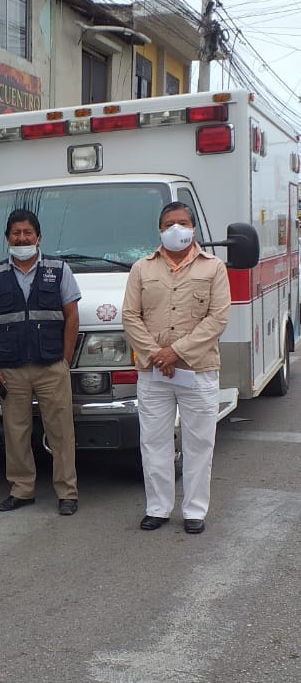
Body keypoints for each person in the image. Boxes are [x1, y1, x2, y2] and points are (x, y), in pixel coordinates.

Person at [122, 201, 231, 535]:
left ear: (193, 228)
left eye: (182, 222)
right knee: (154, 442)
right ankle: (157, 508)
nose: (175, 229)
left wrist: (176, 352)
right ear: (160, 229)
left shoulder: (214, 268)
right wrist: (157, 354)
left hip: (198, 369)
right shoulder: (142, 268)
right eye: (169, 224)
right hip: (153, 372)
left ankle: (194, 511)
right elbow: (130, 316)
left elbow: (218, 318)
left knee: (199, 443)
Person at [0, 208, 81, 516]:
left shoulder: (58, 269)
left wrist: (64, 360)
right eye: (16, 233)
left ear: (38, 237)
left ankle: (67, 492)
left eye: (27, 233)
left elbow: (72, 316)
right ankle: (22, 489)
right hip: (11, 367)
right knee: (16, 431)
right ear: (7, 238)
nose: (22, 238)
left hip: (51, 365)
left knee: (61, 431)